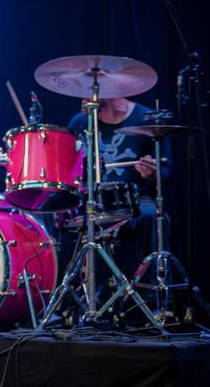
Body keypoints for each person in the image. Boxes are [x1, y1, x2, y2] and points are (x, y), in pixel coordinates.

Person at [67, 95, 172, 299]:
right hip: (91, 202)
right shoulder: (80, 123)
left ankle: (152, 300)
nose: (84, 97)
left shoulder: (146, 118)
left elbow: (167, 172)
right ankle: (76, 301)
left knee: (153, 217)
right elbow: (68, 170)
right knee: (56, 216)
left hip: (134, 201)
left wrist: (152, 172)